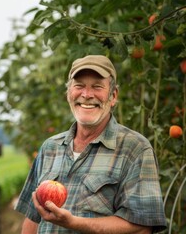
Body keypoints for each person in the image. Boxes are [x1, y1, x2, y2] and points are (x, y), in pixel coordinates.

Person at [14, 55, 167, 233]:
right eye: (79, 86)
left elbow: (141, 227)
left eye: (97, 87)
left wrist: (75, 223)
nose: (86, 95)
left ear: (113, 96)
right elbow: (33, 219)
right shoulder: (50, 148)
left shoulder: (135, 149)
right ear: (68, 93)